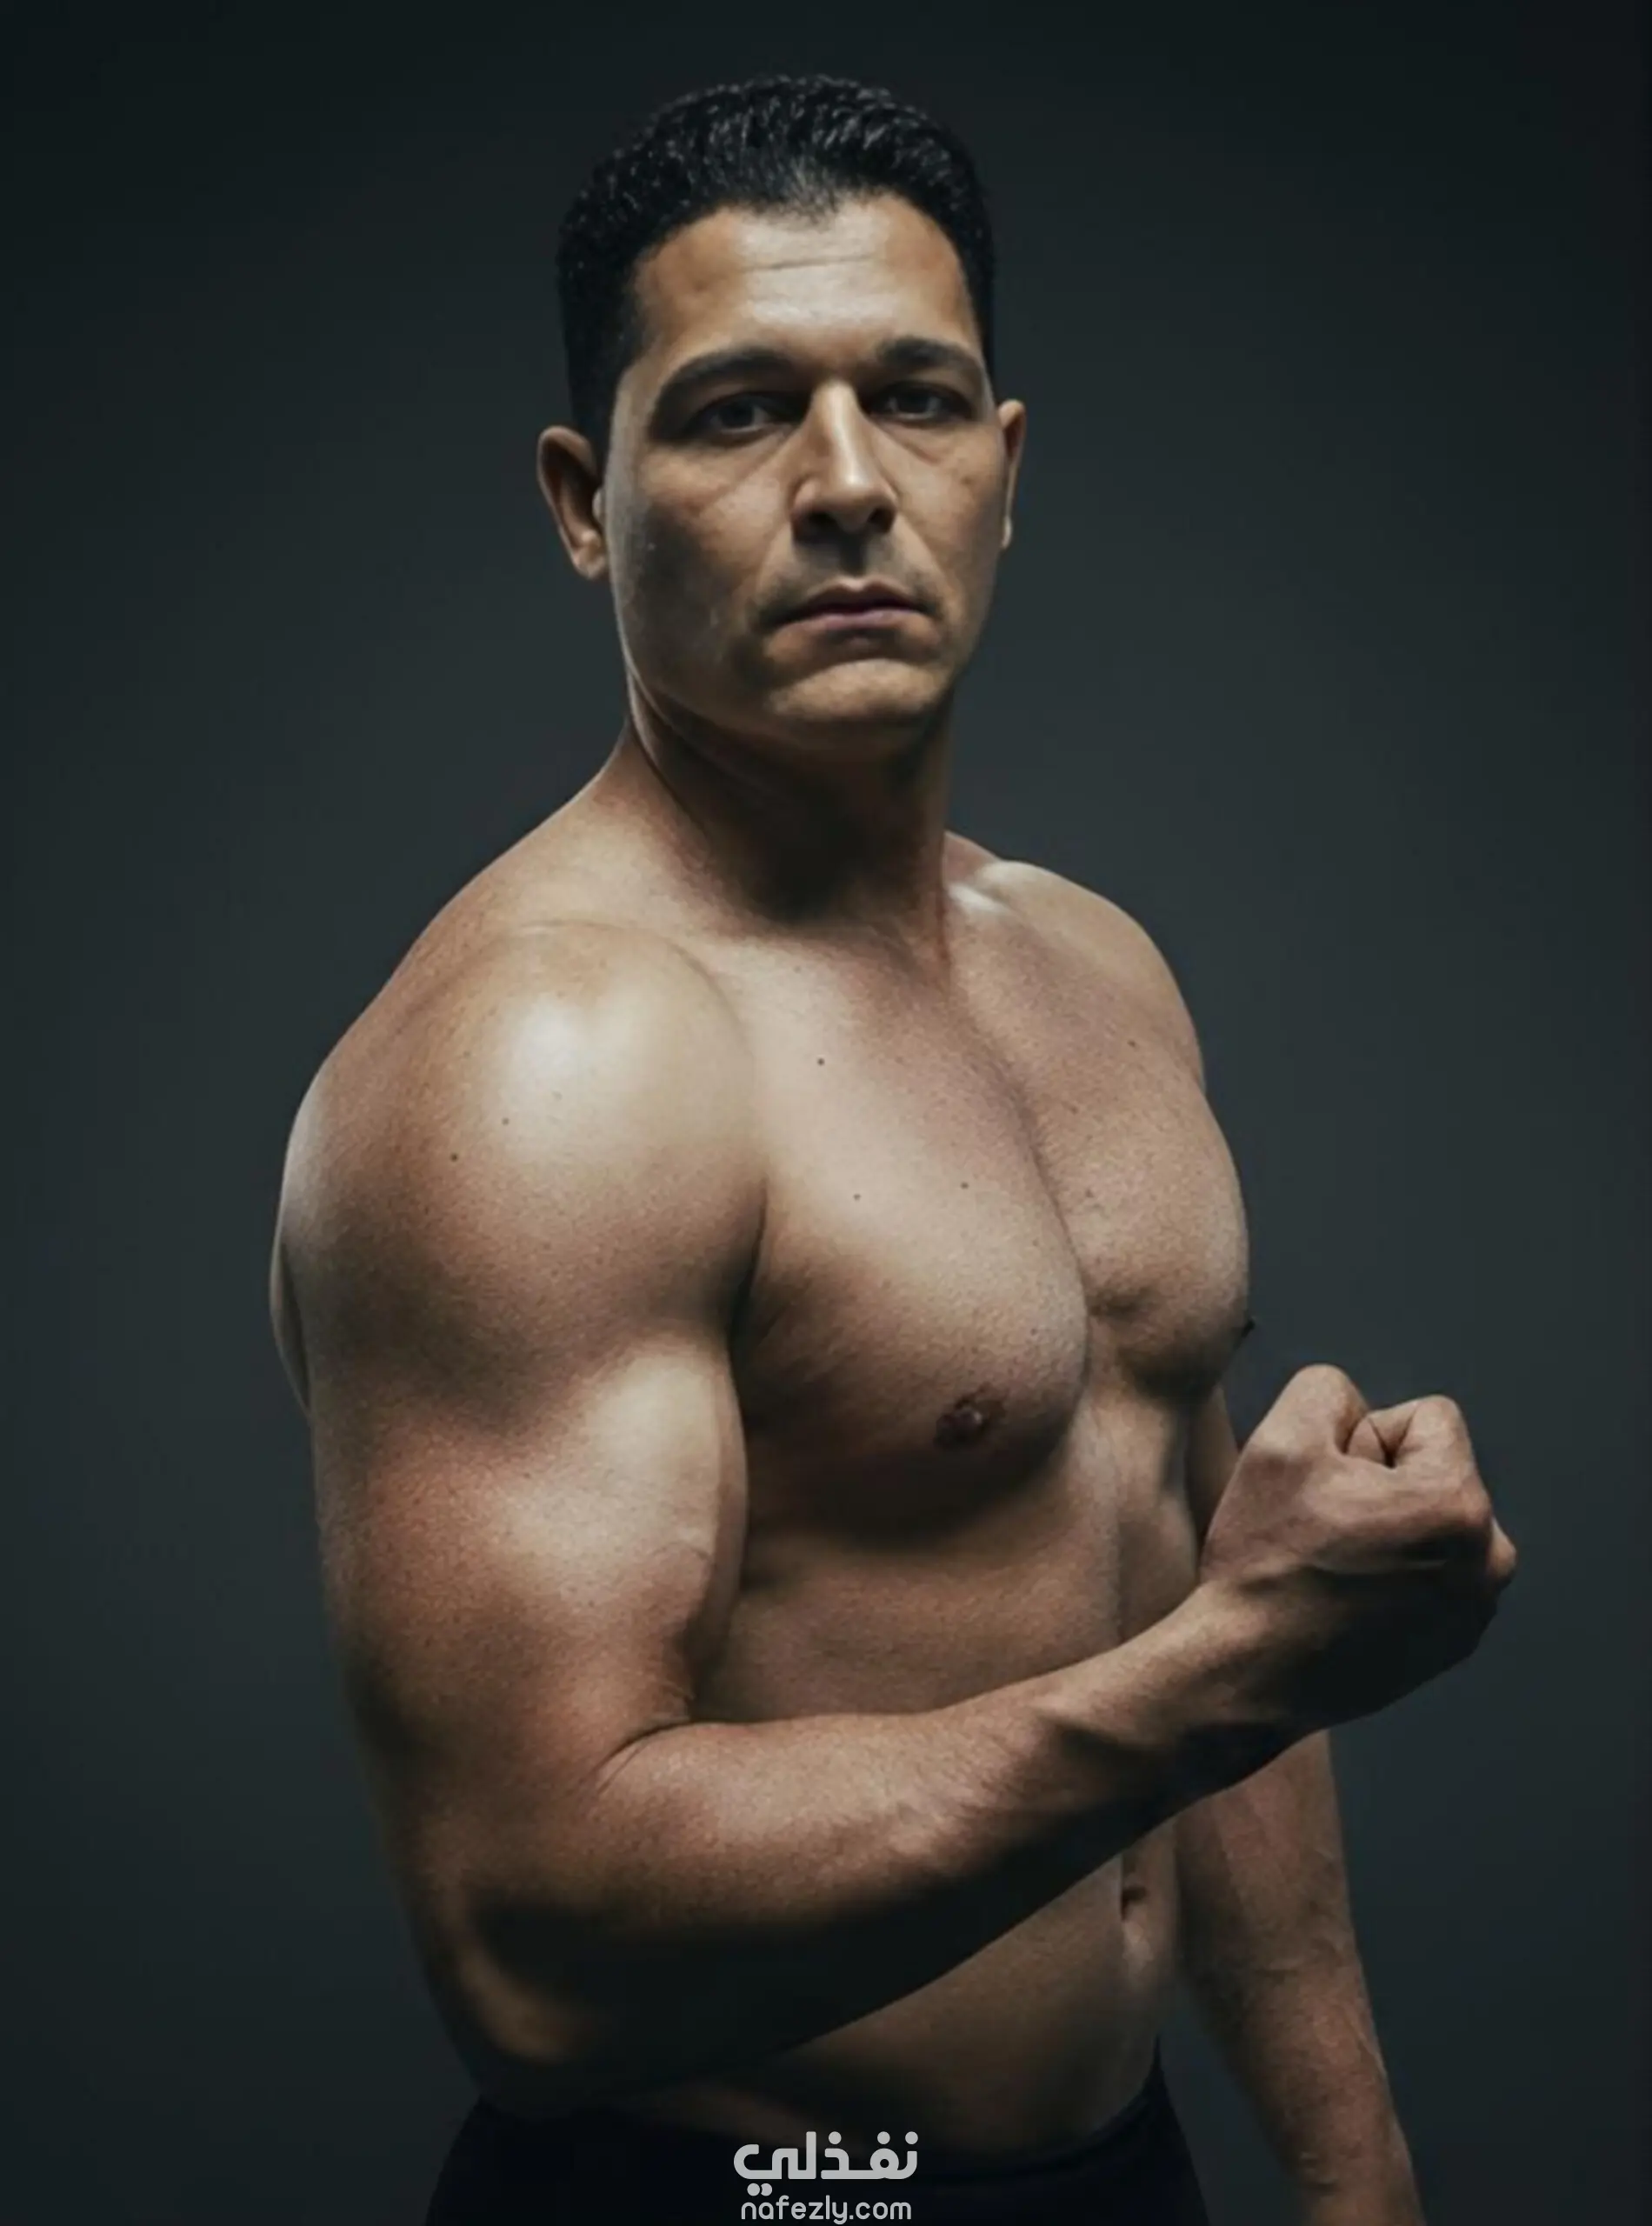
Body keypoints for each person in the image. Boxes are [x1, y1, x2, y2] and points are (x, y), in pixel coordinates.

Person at [269, 74, 1516, 2226]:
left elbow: (1187, 1570)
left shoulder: (1091, 967)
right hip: (756, 2191)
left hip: (1117, 2167)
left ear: (1000, 469)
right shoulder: (553, 1058)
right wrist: (1234, 1662)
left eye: (913, 399)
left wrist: (1348, 2168)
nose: (847, 484)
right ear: (586, 499)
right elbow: (533, 1960)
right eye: (738, 410)